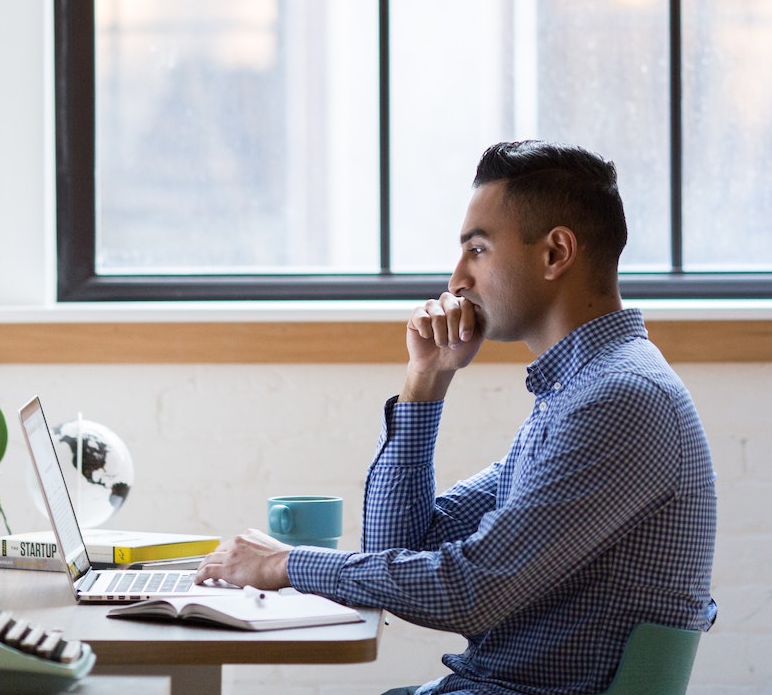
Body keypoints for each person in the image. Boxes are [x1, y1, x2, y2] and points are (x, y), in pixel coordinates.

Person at [197, 140, 717, 695]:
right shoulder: (576, 394)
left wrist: (286, 564)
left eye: (478, 250)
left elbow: (470, 591)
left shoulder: (618, 400)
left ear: (555, 253)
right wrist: (427, 381)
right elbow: (399, 548)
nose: (456, 281)